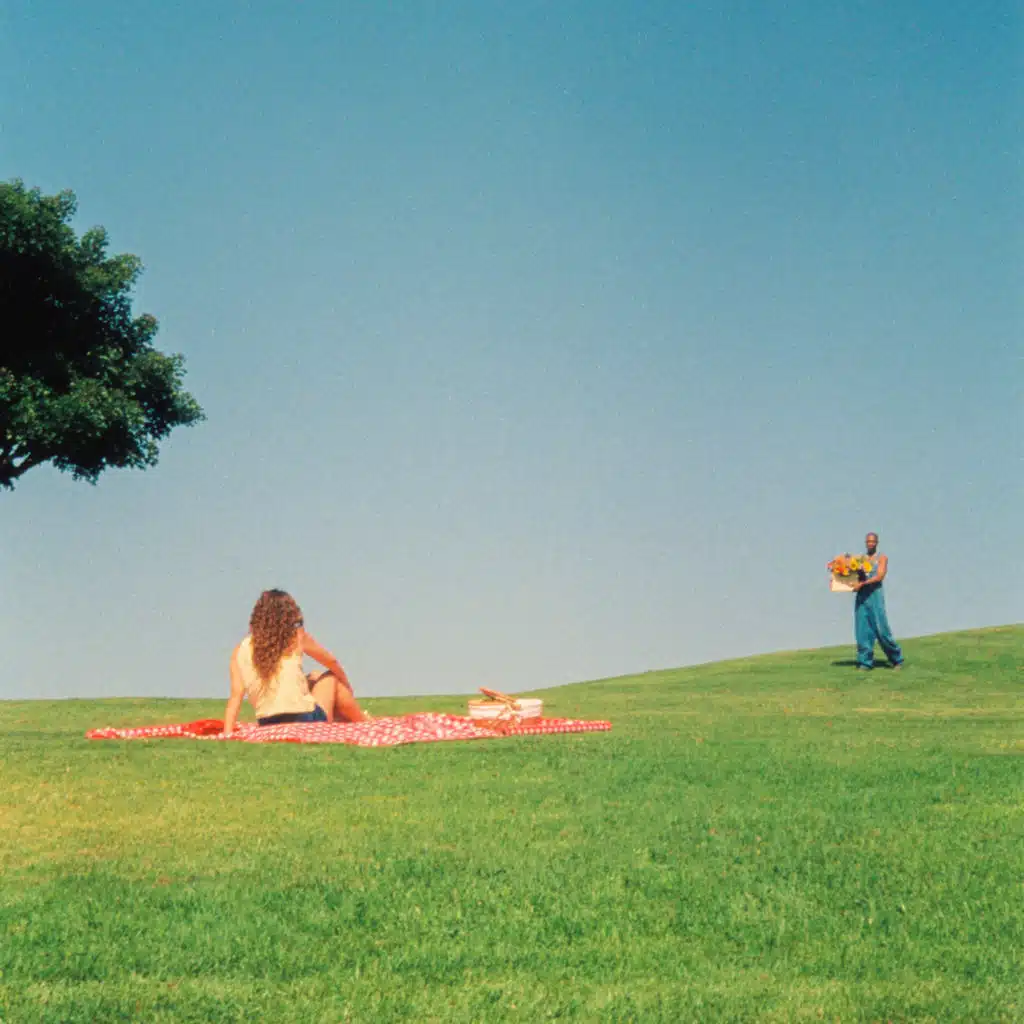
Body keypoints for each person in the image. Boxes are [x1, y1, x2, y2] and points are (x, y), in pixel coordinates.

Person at [222, 589, 367, 735]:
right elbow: (332, 662)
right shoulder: (296, 637)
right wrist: (347, 686)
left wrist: (228, 732)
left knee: (314, 677)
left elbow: (236, 696)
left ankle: (350, 718)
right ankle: (363, 722)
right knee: (330, 678)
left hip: (267, 722)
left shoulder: (240, 649)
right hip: (305, 720)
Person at [850, 533, 905, 671]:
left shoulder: (882, 558)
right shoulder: (860, 559)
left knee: (881, 629)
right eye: (868, 541)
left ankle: (896, 659)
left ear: (877, 543)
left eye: (873, 541)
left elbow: (880, 576)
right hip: (862, 597)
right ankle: (865, 662)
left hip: (875, 595)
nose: (870, 544)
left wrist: (863, 584)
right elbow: (853, 575)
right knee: (862, 629)